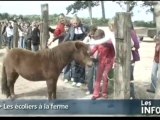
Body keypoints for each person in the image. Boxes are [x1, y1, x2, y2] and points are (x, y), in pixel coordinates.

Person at [89, 29, 115, 100]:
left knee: (105, 76)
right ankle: (96, 94)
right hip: (101, 62)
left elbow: (113, 53)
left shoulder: (109, 43)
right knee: (98, 78)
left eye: (98, 37)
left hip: (108, 62)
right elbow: (93, 51)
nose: (97, 39)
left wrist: (114, 62)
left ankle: (104, 92)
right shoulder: (98, 43)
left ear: (103, 36)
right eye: (96, 37)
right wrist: (87, 53)